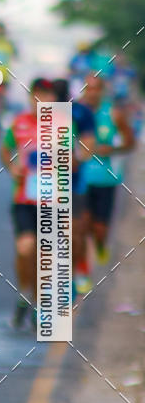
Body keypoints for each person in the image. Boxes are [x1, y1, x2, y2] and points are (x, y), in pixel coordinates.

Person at [1, 78, 56, 330]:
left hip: (52, 200)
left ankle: (38, 303)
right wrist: (13, 168)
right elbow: (5, 149)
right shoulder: (19, 123)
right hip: (23, 198)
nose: (41, 102)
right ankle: (24, 293)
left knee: (44, 256)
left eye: (46, 97)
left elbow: (75, 157)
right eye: (37, 97)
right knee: (25, 249)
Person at [81, 73, 135, 265]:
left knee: (99, 229)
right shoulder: (74, 112)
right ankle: (82, 271)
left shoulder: (113, 114)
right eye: (88, 88)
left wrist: (112, 149)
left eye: (96, 89)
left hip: (106, 178)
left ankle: (101, 246)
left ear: (102, 91)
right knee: (82, 225)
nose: (91, 93)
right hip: (80, 179)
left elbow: (130, 143)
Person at [51, 78, 96, 296]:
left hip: (73, 182)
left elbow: (88, 144)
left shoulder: (81, 113)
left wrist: (76, 157)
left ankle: (71, 276)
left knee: (74, 233)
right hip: (44, 183)